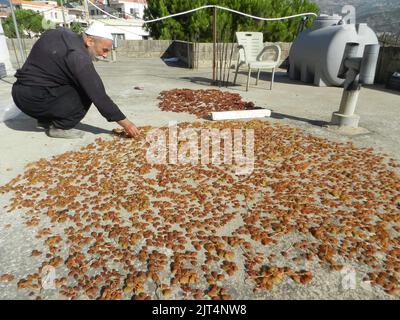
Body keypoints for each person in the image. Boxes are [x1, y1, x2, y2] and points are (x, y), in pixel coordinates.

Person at [11, 23, 139, 139]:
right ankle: (60, 127)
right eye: (104, 50)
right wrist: (127, 124)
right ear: (89, 41)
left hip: (20, 94)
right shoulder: (78, 56)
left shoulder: (60, 33)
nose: (105, 55)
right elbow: (99, 96)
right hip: (35, 99)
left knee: (64, 80)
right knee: (87, 91)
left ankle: (45, 119)